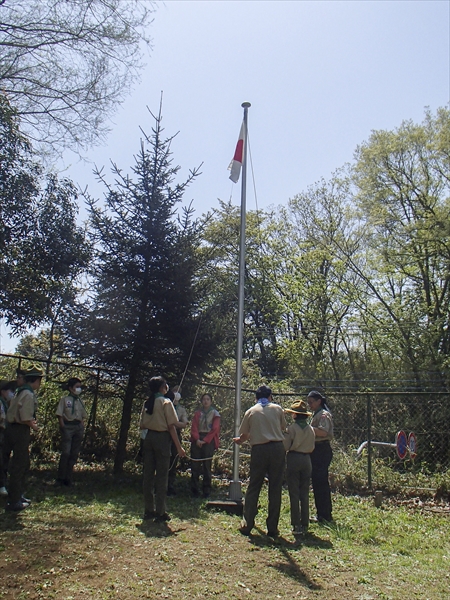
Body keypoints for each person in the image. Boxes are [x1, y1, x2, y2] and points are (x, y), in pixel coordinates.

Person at [233, 385, 286, 538]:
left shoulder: (251, 411)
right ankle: (272, 527)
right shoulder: (277, 409)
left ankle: (247, 523)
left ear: (256, 398)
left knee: (254, 485)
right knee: (275, 487)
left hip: (259, 450)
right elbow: (283, 427)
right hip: (277, 448)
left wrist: (240, 441)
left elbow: (245, 433)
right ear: (270, 397)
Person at [140, 376, 186, 522]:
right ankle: (160, 512)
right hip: (162, 439)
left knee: (147, 475)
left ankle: (148, 510)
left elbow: (142, 424)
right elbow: (172, 426)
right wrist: (179, 447)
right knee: (161, 476)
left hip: (148, 439)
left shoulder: (147, 402)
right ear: (162, 387)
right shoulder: (166, 402)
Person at [4, 365, 43, 512]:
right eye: (40, 380)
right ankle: (14, 501)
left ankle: (17, 494)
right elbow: (26, 416)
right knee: (20, 464)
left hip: (11, 428)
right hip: (20, 430)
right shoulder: (28, 394)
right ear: (36, 380)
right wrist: (33, 426)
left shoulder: (20, 392)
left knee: (19, 463)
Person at [283, 399, 315, 536]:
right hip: (307, 459)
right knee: (304, 492)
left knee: (294, 492)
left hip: (294, 458)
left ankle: (296, 524)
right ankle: (305, 522)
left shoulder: (291, 429)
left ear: (295, 415)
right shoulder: (311, 429)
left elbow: (285, 446)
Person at [307, 390, 334, 523]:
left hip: (322, 449)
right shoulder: (315, 414)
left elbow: (323, 432)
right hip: (316, 449)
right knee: (317, 483)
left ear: (319, 401)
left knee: (321, 482)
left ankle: (325, 514)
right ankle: (321, 513)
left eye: (312, 402)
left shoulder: (323, 415)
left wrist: (307, 429)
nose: (310, 405)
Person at [55, 377, 88, 487]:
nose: (79, 389)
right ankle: (60, 477)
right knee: (66, 453)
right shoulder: (65, 400)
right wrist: (63, 426)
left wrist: (81, 426)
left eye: (80, 387)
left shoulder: (80, 401)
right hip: (68, 427)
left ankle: (68, 478)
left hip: (77, 427)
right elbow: (59, 414)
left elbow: (83, 415)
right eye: (76, 387)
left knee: (74, 454)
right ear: (70, 388)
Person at [190, 393, 220, 498]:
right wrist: (197, 439)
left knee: (207, 466)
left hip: (209, 440)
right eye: (204, 399)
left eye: (208, 399)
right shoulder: (198, 413)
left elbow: (215, 429)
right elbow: (193, 427)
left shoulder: (215, 414)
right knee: (195, 465)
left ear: (211, 401)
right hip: (197, 439)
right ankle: (194, 489)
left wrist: (206, 440)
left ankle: (206, 490)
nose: (206, 401)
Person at [167, 387, 188, 496]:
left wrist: (173, 423)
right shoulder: (166, 405)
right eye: (175, 391)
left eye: (179, 392)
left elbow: (184, 424)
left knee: (173, 459)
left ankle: (170, 485)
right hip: (165, 435)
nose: (177, 394)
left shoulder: (181, 409)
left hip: (177, 435)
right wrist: (175, 423)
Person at [0, 379, 16, 496]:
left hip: (4, 433)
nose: (12, 392)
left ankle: (2, 483)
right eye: (9, 390)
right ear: (2, 391)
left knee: (4, 458)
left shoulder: (6, 403)